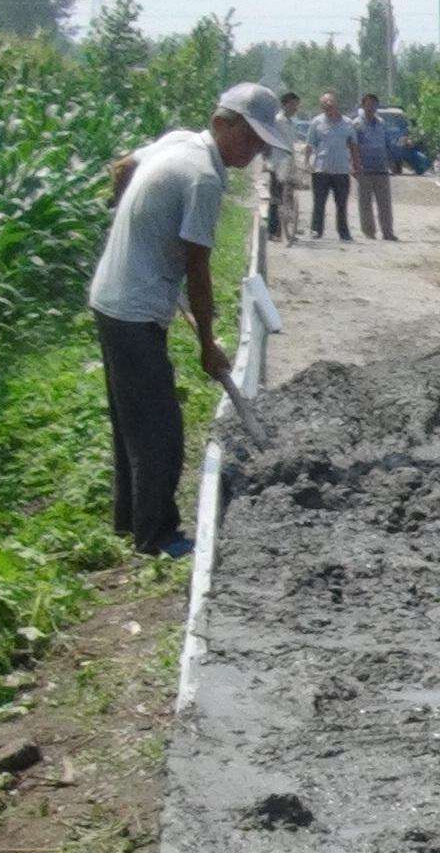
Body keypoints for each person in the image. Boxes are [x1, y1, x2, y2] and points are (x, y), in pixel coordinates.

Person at [89, 83, 290, 557]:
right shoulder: (203, 177)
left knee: (131, 420)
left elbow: (124, 166)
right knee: (160, 430)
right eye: (249, 138)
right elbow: (198, 266)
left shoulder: (179, 141)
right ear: (223, 123)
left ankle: (128, 520)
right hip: (133, 307)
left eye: (261, 143)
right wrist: (206, 342)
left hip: (112, 297)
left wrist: (139, 224)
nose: (254, 150)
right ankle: (157, 537)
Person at [353, 92, 401, 241]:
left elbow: (387, 144)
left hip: (381, 168)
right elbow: (352, 146)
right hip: (364, 169)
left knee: (385, 203)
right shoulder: (356, 124)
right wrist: (354, 165)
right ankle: (369, 232)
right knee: (365, 203)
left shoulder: (381, 123)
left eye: (374, 104)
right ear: (363, 105)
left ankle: (388, 232)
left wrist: (392, 162)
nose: (371, 107)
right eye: (368, 104)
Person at [309, 91, 356, 239]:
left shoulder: (348, 123)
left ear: (336, 104)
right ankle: (316, 230)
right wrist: (307, 163)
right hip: (321, 169)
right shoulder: (316, 122)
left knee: (341, 204)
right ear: (321, 106)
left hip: (342, 170)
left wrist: (356, 165)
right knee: (319, 203)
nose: (328, 106)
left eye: (330, 103)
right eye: (324, 104)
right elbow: (310, 145)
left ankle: (344, 233)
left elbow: (353, 145)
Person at [268, 90, 306, 242]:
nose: (295, 108)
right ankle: (272, 231)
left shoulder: (290, 123)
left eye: (297, 105)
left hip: (288, 164)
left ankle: (284, 232)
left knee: (287, 199)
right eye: (293, 105)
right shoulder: (277, 121)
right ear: (285, 105)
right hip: (277, 164)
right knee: (276, 199)